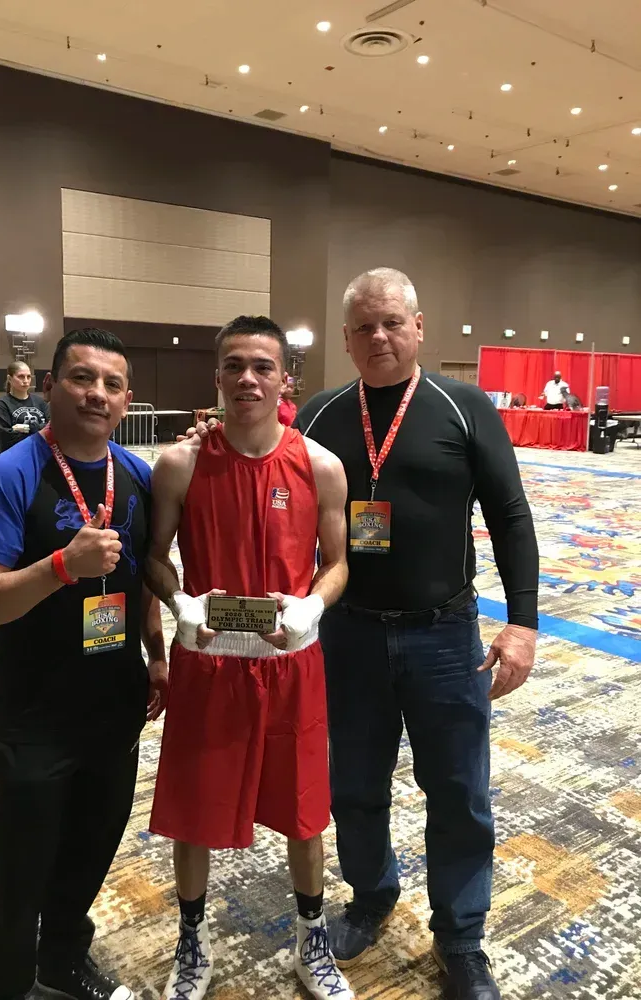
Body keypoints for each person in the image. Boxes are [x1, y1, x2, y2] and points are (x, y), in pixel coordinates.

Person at [183, 271, 539, 1000]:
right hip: (344, 634)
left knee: (459, 789)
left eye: (391, 323)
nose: (379, 337)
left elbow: (511, 516)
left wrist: (524, 622)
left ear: (418, 326)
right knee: (351, 784)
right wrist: (204, 432)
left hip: (444, 633)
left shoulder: (463, 407)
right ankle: (372, 896)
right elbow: (249, 449)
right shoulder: (318, 415)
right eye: (363, 328)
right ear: (345, 339)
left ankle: (461, 937)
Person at [145, 315, 355, 1000]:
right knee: (194, 808)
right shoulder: (180, 463)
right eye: (234, 365)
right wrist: (180, 604)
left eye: (262, 366)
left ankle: (311, 940)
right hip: (209, 660)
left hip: (291, 661)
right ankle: (191, 942)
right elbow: (153, 560)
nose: (247, 378)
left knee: (303, 809)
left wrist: (312, 608)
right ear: (216, 378)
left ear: (284, 378)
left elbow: (339, 563)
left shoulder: (321, 465)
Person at [0, 327, 168, 1000]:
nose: (95, 394)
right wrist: (58, 568)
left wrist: (157, 657)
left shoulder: (135, 476)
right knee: (22, 871)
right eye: (81, 378)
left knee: (90, 852)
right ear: (49, 387)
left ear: (127, 398)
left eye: (110, 384)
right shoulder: (7, 477)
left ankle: (62, 964)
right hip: (36, 713)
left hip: (116, 704)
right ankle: (3, 986)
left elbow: (142, 582)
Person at [0, 360, 50, 451]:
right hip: (14, 454)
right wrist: (39, 429)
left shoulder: (40, 402)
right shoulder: (2, 405)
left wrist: (26, 428)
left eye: (28, 377)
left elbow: (51, 428)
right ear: (10, 379)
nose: (26, 381)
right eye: (21, 377)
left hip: (39, 452)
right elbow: (6, 436)